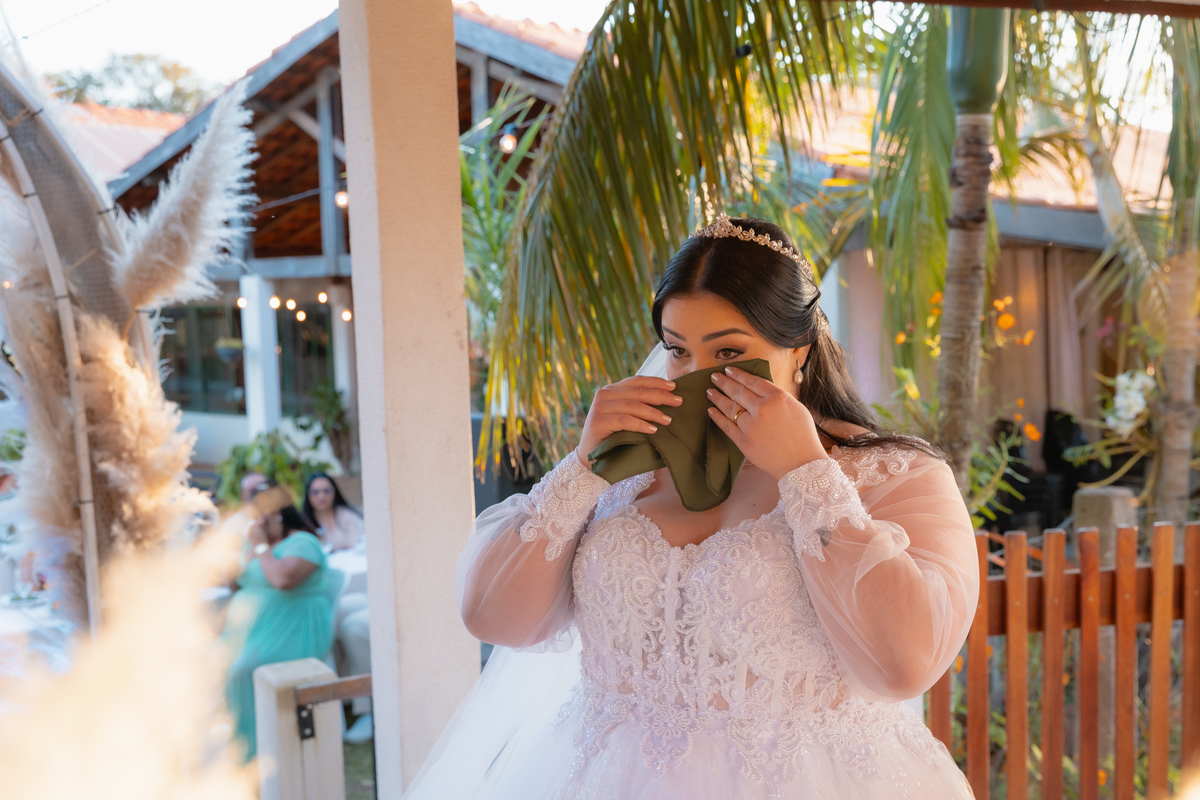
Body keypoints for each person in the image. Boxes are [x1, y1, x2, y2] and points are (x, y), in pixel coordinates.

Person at [406, 216, 979, 799]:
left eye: (730, 351)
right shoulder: (621, 470)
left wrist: (807, 474)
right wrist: (581, 470)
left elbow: (908, 663)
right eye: (677, 350)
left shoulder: (893, 475)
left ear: (798, 350)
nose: (698, 377)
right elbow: (492, 617)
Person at [222, 498, 336, 761]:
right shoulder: (257, 545)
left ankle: (257, 753)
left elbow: (282, 580)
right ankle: (236, 745)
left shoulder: (303, 542)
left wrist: (260, 547)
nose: (259, 524)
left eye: (264, 517)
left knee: (243, 671)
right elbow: (233, 583)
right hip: (251, 631)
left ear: (281, 514)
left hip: (292, 627)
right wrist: (245, 552)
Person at [303, 473, 364, 552]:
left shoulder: (348, 516)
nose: (321, 496)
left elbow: (358, 545)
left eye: (326, 491)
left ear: (335, 492)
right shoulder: (304, 522)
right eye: (315, 492)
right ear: (308, 495)